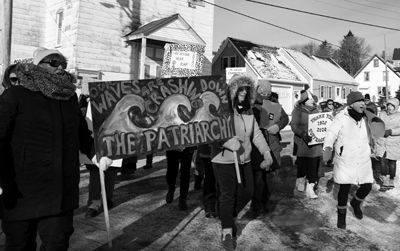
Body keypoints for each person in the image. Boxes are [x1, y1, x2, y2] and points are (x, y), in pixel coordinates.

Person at [0, 47, 111, 250]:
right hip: (21, 191)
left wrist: (96, 154)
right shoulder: (15, 95)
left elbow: (81, 133)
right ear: (37, 66)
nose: (60, 68)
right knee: (19, 245)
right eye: (53, 63)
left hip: (60, 192)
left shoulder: (68, 99)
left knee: (57, 244)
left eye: (62, 64)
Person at [210, 75, 273, 250]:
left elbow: (256, 134)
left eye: (247, 89)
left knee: (248, 191)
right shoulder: (222, 109)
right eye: (241, 88)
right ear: (233, 90)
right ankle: (227, 231)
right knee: (228, 195)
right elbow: (208, 132)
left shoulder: (248, 111)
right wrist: (225, 141)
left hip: (244, 160)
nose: (244, 92)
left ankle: (226, 215)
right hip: (224, 161)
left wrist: (266, 152)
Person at [323, 91, 374, 229]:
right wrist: (327, 147)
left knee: (367, 185)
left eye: (364, 101)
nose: (363, 103)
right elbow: (331, 133)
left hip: (362, 157)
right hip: (346, 157)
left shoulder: (366, 117)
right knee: (344, 188)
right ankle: (341, 216)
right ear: (352, 104)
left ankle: (356, 203)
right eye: (360, 101)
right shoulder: (341, 117)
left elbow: (374, 131)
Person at [250, 80, 289, 217]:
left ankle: (265, 202)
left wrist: (277, 126)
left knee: (270, 179)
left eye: (267, 92)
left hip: (273, 145)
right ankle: (255, 206)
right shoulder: (250, 105)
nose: (265, 94)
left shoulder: (274, 104)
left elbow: (284, 118)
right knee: (258, 179)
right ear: (257, 90)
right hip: (257, 149)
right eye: (262, 92)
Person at [291, 90, 322, 199]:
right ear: (304, 101)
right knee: (302, 165)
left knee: (313, 166)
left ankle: (310, 187)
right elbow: (294, 125)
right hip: (303, 143)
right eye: (310, 98)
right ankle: (300, 180)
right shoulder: (298, 111)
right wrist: (302, 134)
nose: (313, 100)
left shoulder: (317, 110)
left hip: (315, 145)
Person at [376, 98, 400, 190]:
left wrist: (391, 131)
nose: (389, 107)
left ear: (396, 107)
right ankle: (385, 180)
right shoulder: (382, 114)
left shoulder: (399, 116)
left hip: (394, 143)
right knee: (382, 161)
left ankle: (391, 180)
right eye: (388, 105)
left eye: (392, 106)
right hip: (382, 141)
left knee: (392, 162)